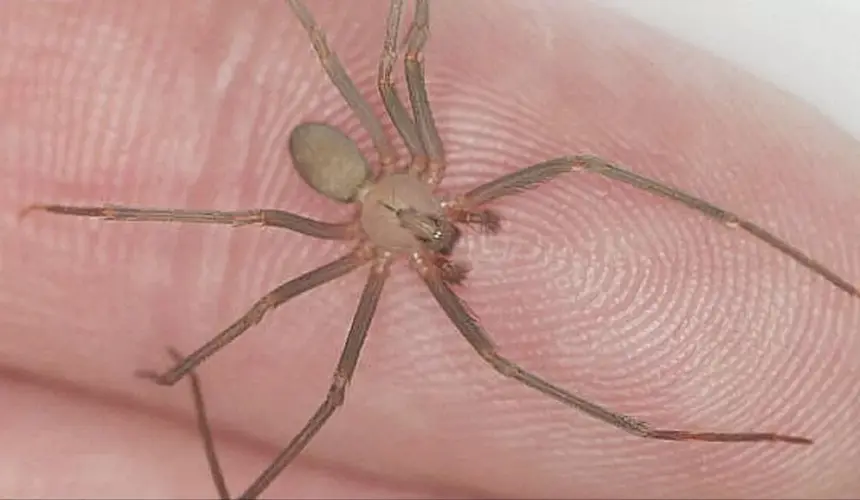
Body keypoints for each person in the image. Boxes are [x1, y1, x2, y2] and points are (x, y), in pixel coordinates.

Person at [2, 1, 857, 498]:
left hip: (371, 182)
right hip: (348, 189)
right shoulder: (389, 213)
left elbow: (406, 56)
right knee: (309, 337)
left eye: (437, 225)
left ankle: (681, 384)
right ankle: (176, 373)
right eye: (436, 226)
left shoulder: (427, 177)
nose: (440, 228)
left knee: (572, 157)